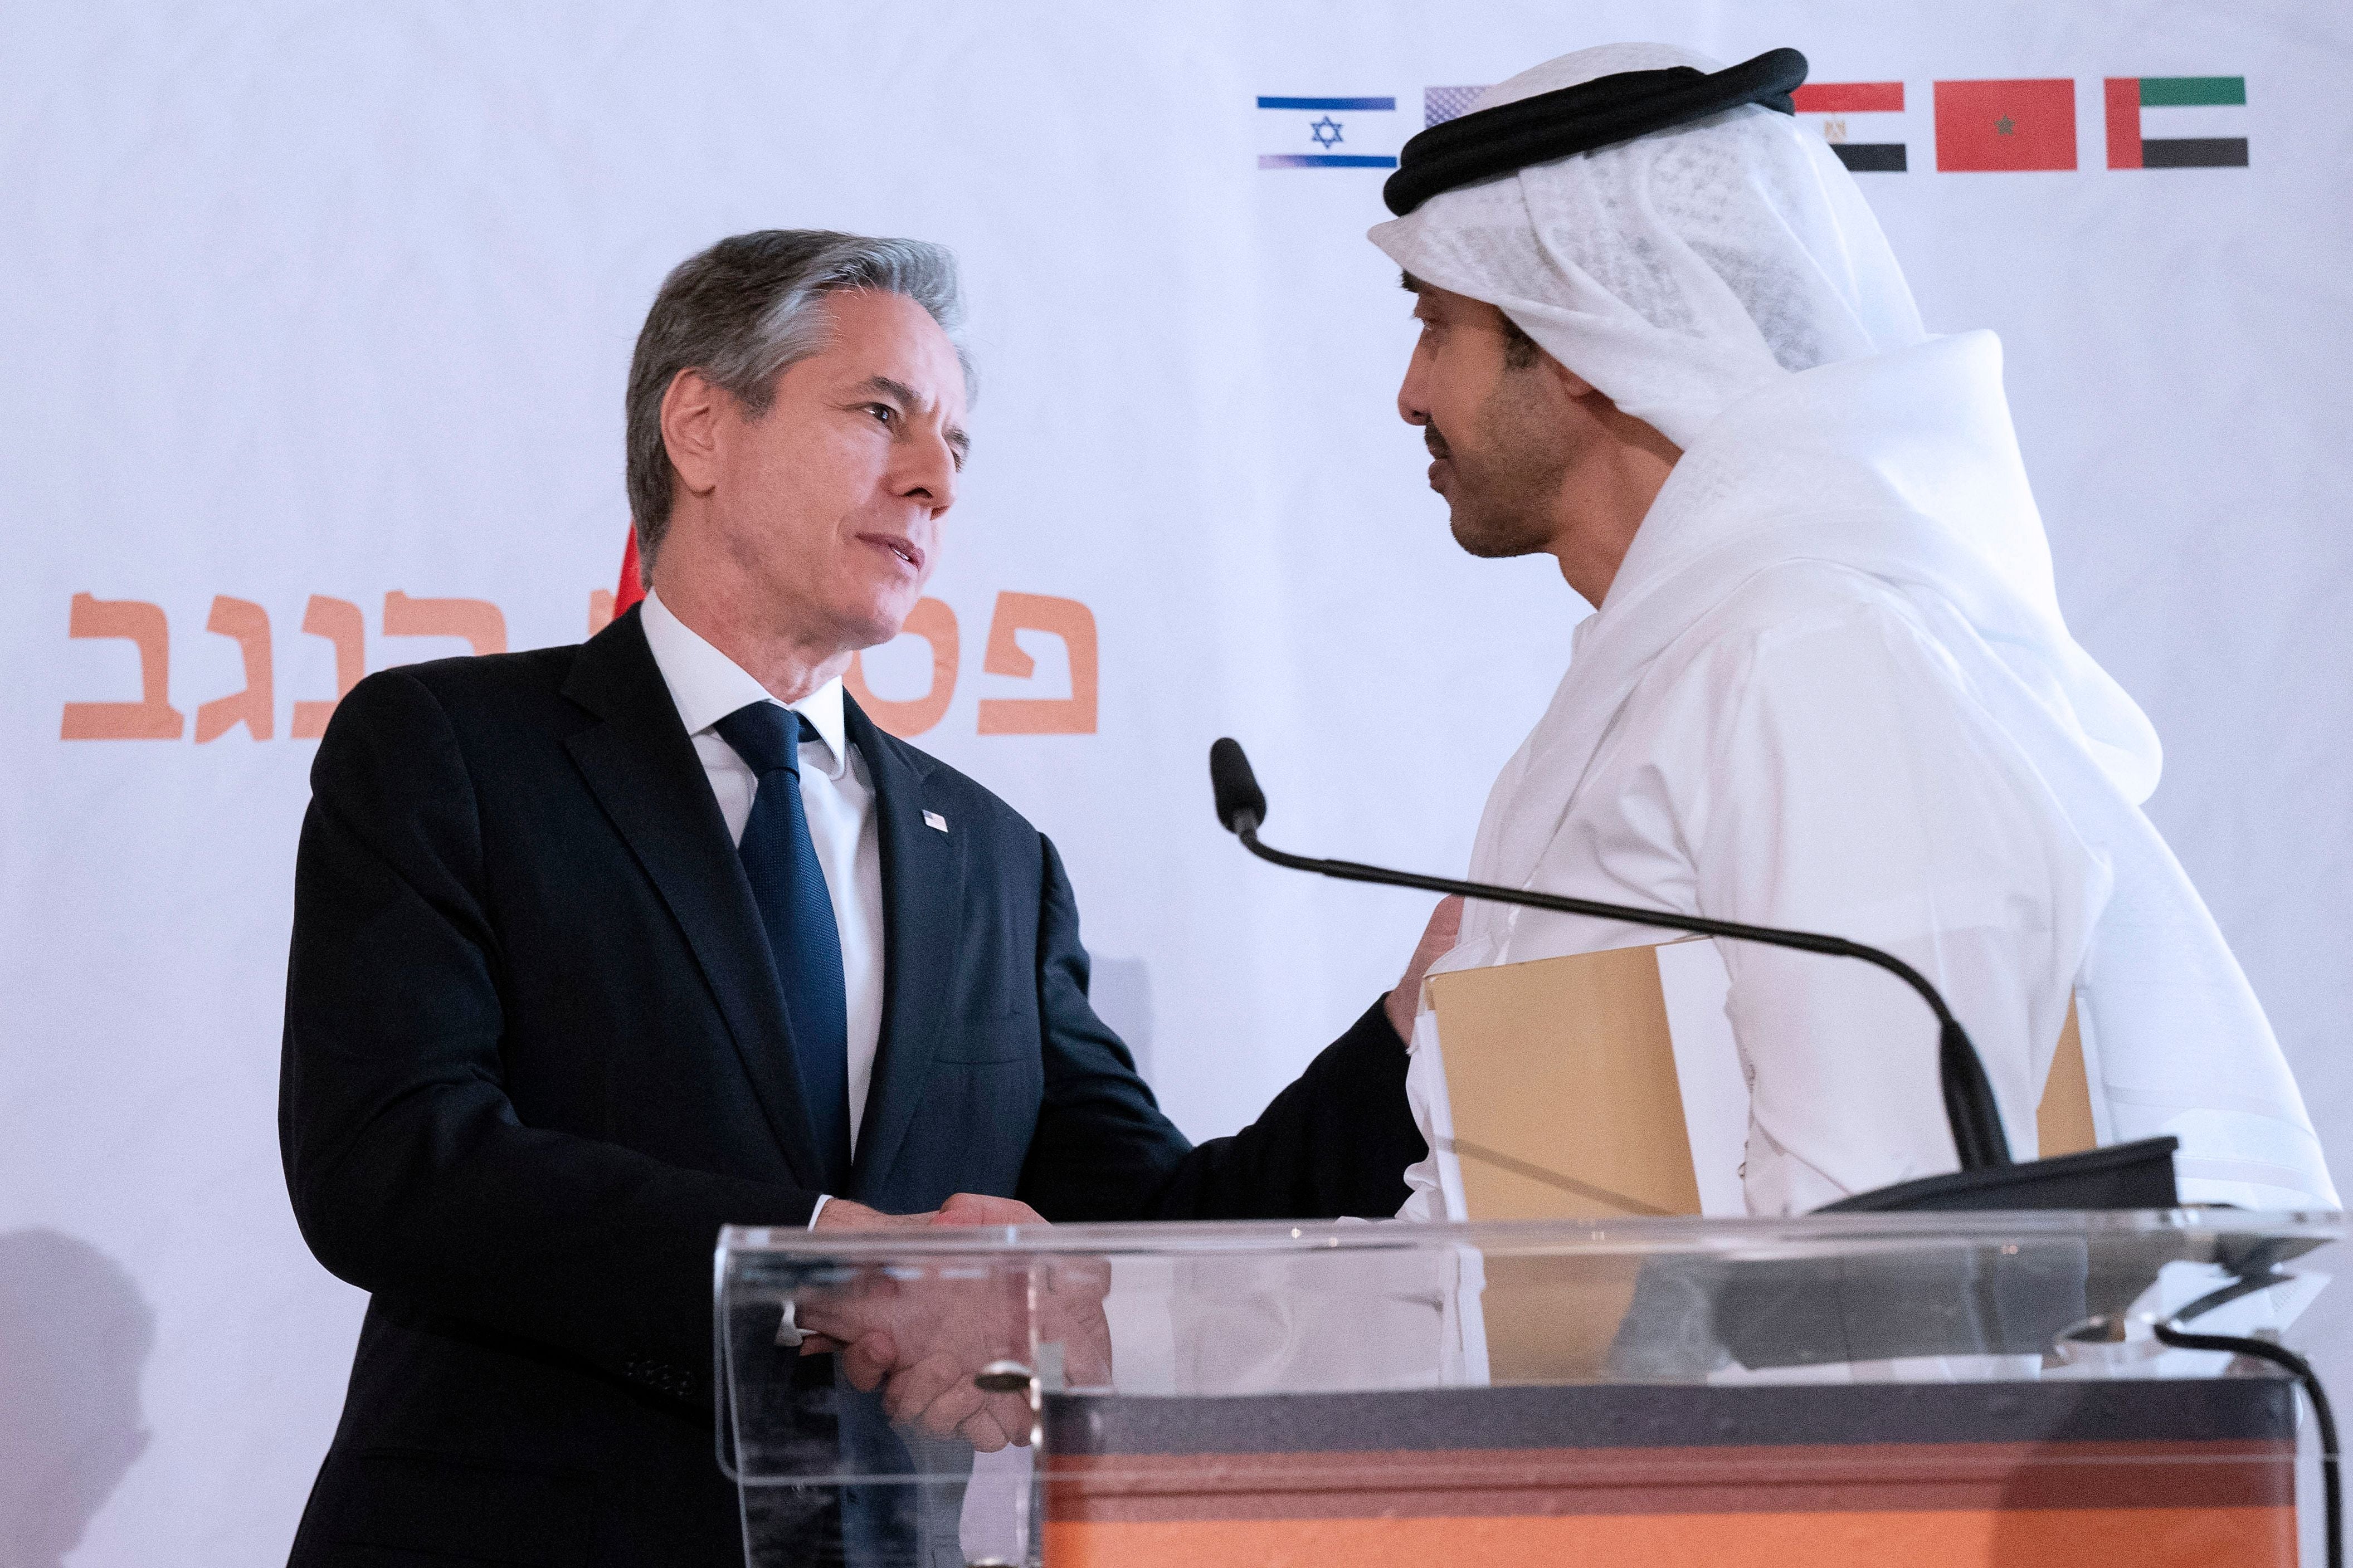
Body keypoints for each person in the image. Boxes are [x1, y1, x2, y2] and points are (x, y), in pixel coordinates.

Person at [277, 229, 1439, 1566]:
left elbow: (1144, 1231)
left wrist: (1404, 1045)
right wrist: (831, 1261)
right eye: (881, 414)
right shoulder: (453, 751)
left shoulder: (992, 859)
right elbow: (391, 1163)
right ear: (703, 428)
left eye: (956, 443)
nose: (936, 480)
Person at [1366, 45, 2336, 1218]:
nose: (1412, 393)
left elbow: (1898, 1245)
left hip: (1792, 1411)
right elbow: (1514, 1229)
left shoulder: (1805, 658)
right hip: (1609, 1409)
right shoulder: (1683, 669)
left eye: (1439, 329)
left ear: (1578, 344)